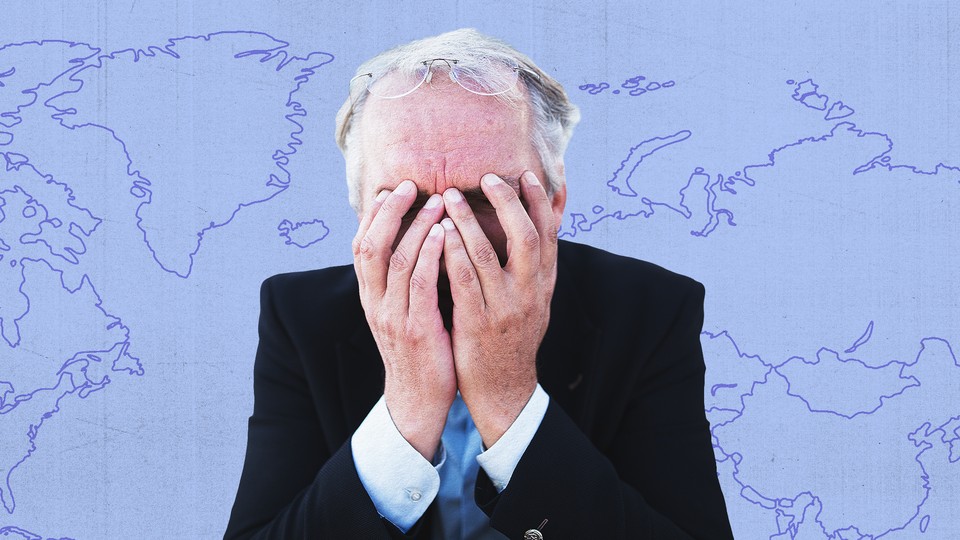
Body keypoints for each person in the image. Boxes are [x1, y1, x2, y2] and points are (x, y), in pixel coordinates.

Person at [224, 29, 733, 539]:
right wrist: (407, 407)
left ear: (552, 201)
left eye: (485, 199)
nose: (447, 233)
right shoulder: (299, 316)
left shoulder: (648, 310)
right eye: (406, 202)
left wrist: (510, 399)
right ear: (361, 209)